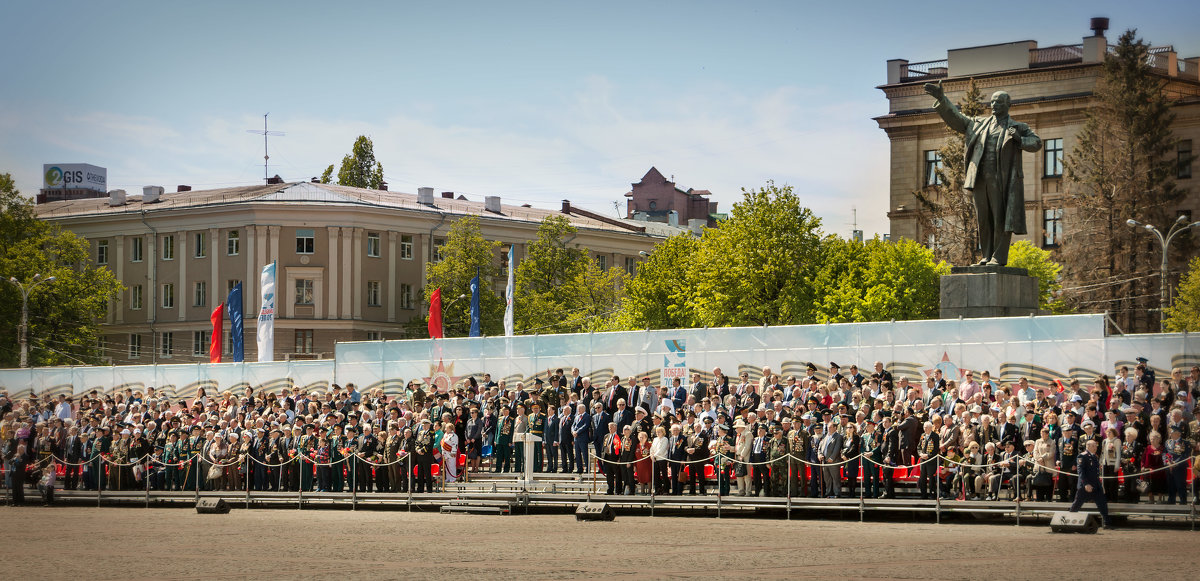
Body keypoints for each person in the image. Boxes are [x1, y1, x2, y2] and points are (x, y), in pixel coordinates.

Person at [924, 80, 1041, 266]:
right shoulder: (979, 124)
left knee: (1001, 218)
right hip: (980, 179)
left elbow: (1036, 143)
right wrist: (942, 99)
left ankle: (998, 257)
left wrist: (1019, 139)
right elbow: (957, 119)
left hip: (1002, 180)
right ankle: (986, 255)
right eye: (993, 101)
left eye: (999, 102)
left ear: (1008, 105)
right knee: (984, 219)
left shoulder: (1018, 127)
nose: (994, 105)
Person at [1067, 439, 1113, 529]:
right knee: (1077, 504)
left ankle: (1107, 523)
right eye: (1093, 446)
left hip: (1095, 485)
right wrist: (1086, 484)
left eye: (1096, 446)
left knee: (1102, 504)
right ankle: (1068, 521)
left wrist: (1100, 485)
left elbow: (1096, 473)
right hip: (1085, 486)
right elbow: (1081, 472)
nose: (1095, 447)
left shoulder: (1094, 457)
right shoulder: (1082, 456)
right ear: (1087, 446)